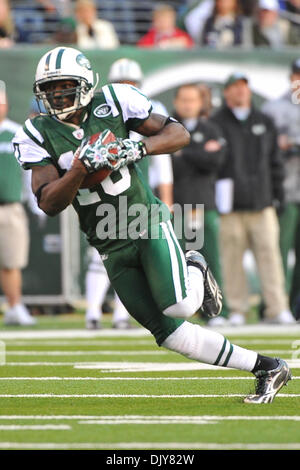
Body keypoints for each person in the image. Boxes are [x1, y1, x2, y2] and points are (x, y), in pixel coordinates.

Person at [13, 46, 291, 404]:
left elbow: (178, 134)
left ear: (84, 84)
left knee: (179, 306)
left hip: (144, 221)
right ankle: (267, 367)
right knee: (170, 335)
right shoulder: (36, 132)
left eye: (64, 85)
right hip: (108, 241)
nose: (57, 95)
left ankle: (194, 267)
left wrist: (135, 148)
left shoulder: (114, 99)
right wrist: (79, 169)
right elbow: (49, 202)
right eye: (50, 88)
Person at [85, 57, 174, 330]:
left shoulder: (149, 110)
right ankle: (92, 313)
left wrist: (167, 197)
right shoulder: (98, 110)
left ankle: (122, 316)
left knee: (134, 254)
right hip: (100, 192)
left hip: (134, 188)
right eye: (121, 84)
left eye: (131, 83)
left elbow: (162, 159)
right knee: (101, 254)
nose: (126, 88)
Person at [212, 72, 296, 326]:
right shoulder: (217, 122)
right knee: (231, 259)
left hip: (262, 202)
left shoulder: (264, 121)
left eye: (244, 87)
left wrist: (277, 195)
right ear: (226, 92)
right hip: (230, 206)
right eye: (235, 88)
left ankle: (277, 308)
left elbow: (275, 162)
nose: (240, 92)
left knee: (271, 258)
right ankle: (237, 309)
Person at [171, 83, 229, 326]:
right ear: (176, 102)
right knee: (177, 259)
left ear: (200, 102)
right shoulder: (168, 128)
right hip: (177, 205)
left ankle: (218, 312)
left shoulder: (211, 128)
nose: (187, 104)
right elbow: (168, 166)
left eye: (192, 99)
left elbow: (216, 161)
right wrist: (199, 154)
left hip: (204, 204)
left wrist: (184, 153)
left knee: (211, 256)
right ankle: (182, 309)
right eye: (183, 99)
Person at [262, 58, 300, 319]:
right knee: (278, 252)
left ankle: (296, 307)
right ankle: (276, 306)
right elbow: (263, 150)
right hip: (285, 189)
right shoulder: (274, 109)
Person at [0, 88, 36, 325]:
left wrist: (37, 203)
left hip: (9, 205)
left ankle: (14, 305)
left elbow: (30, 173)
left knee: (11, 261)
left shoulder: (16, 133)